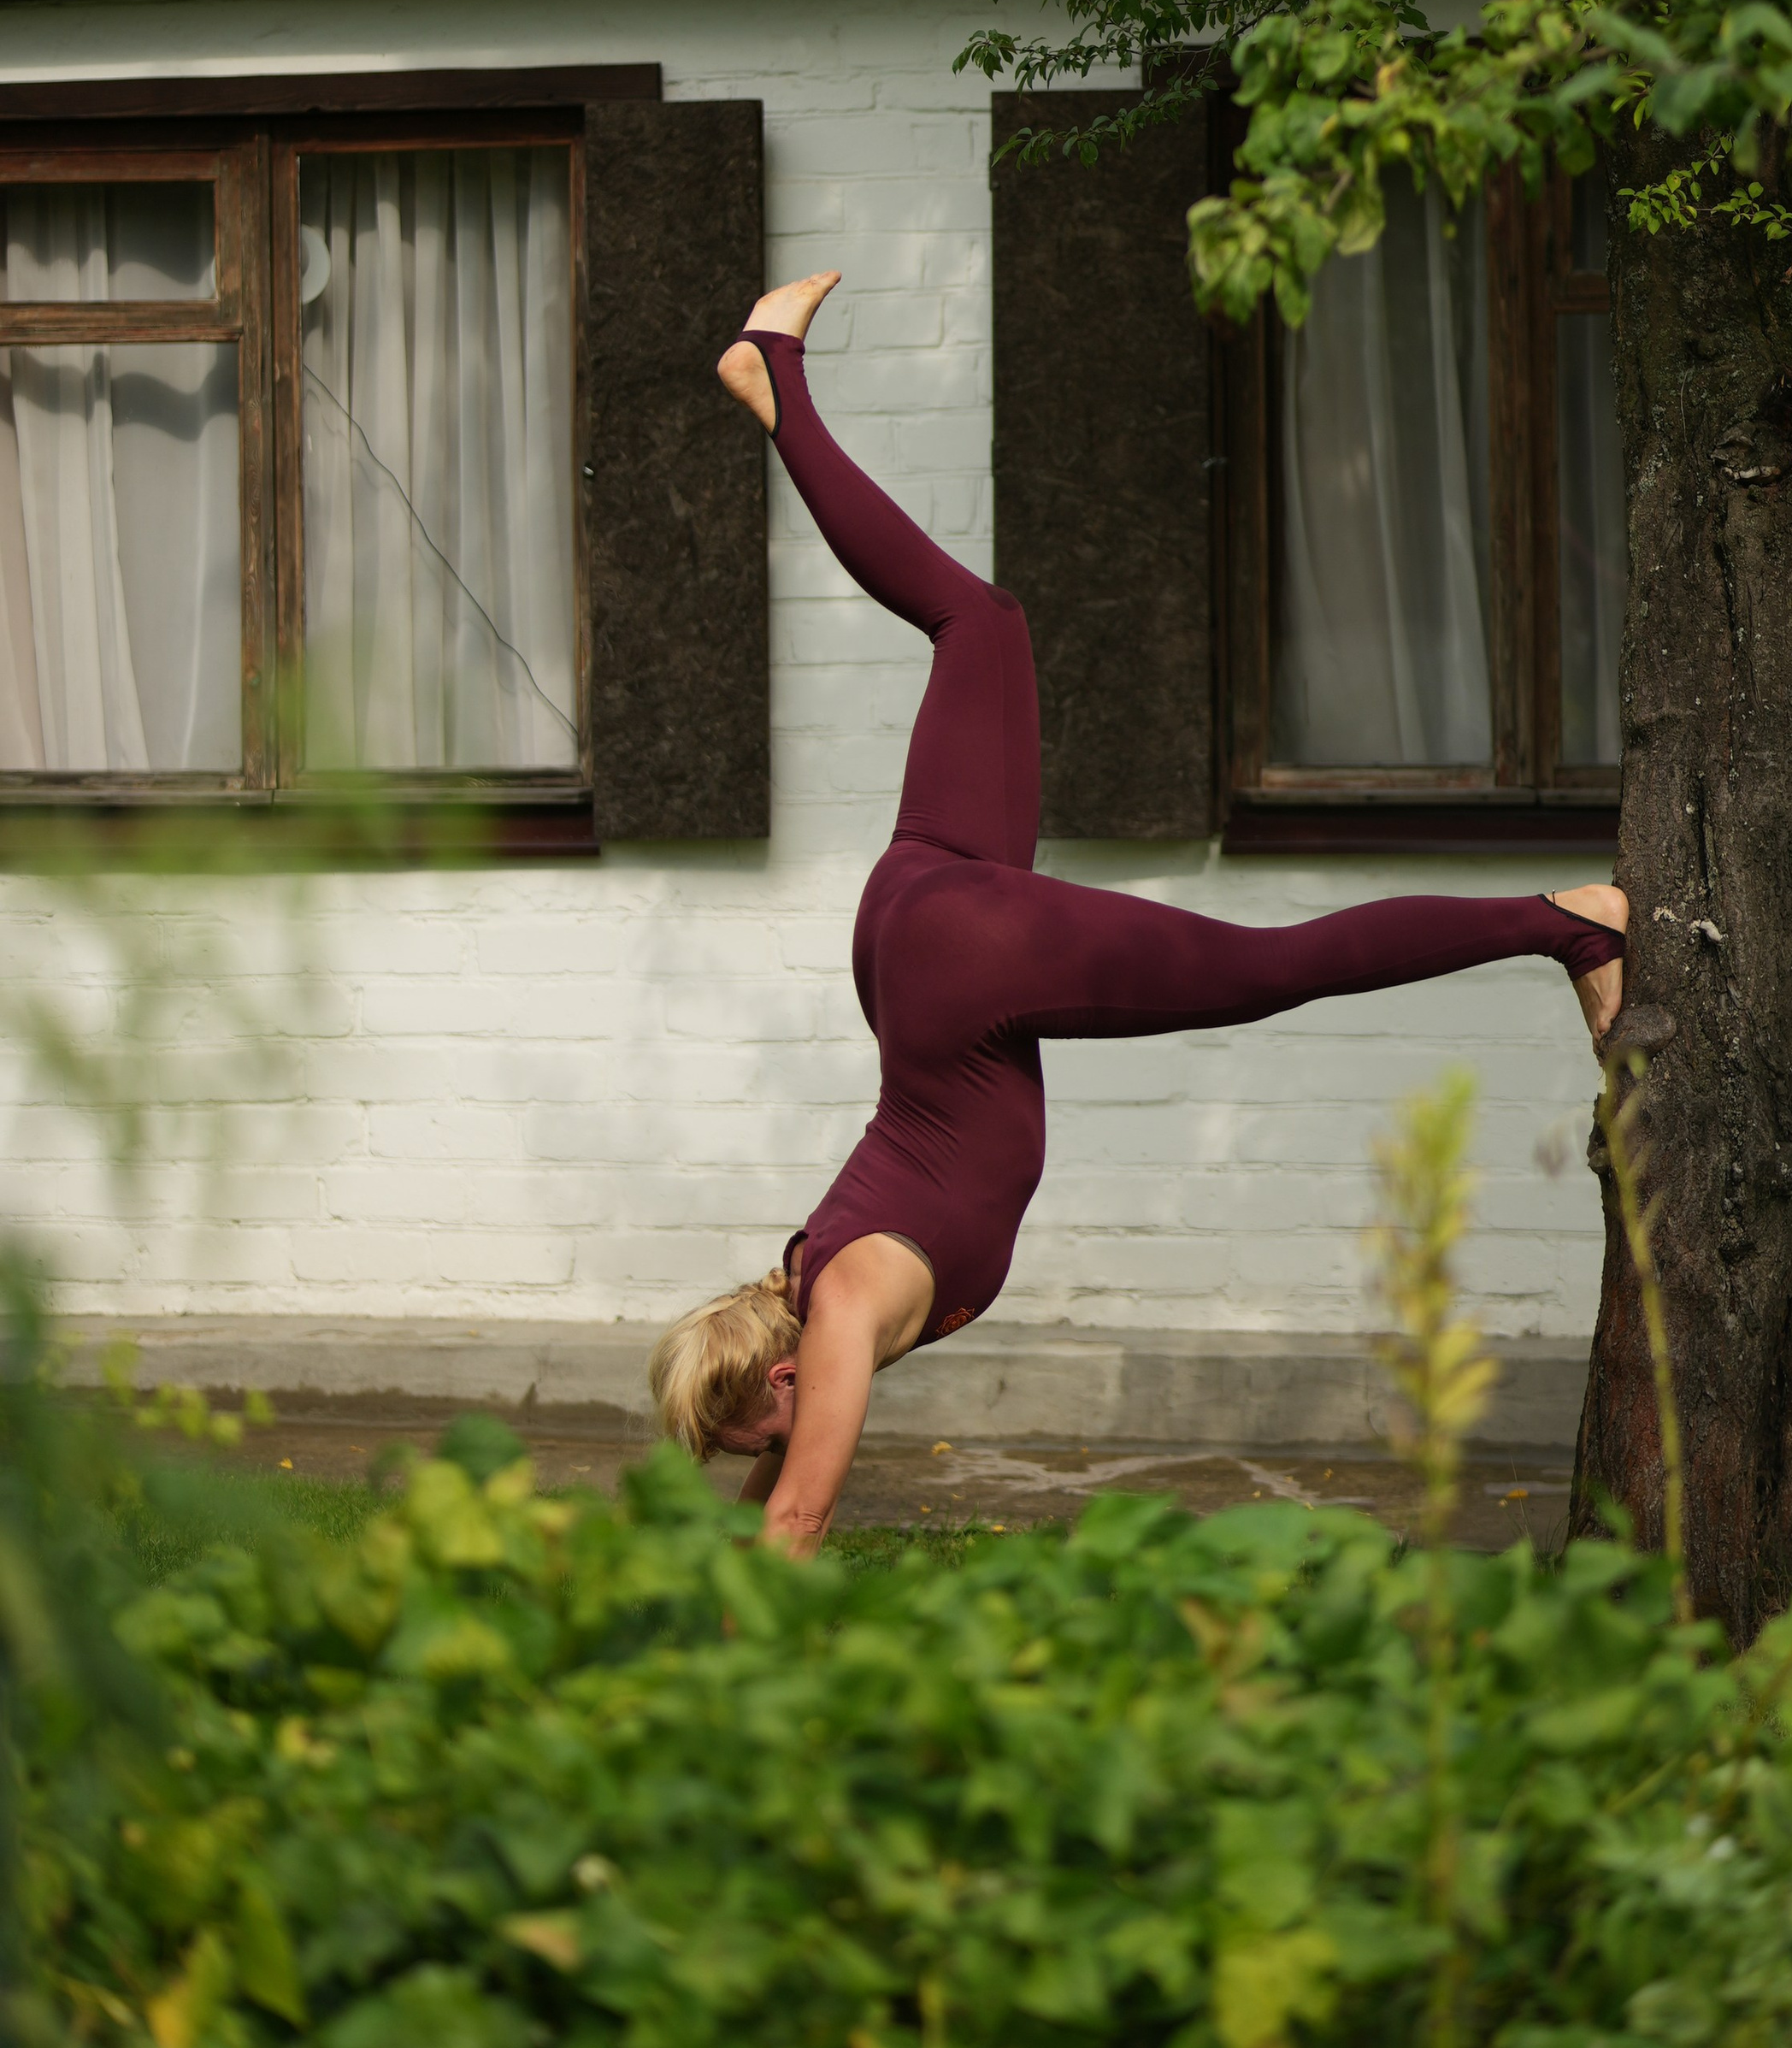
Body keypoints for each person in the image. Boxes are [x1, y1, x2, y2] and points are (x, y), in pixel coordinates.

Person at [650, 273, 1627, 1555]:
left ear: (776, 1382)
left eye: (755, 1439)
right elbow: (780, 1476)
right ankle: (777, 385)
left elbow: (803, 1506)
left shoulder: (833, 1315)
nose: (776, 1452)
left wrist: (706, 1673)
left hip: (958, 969)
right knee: (979, 623)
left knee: (1275, 965)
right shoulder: (805, 1287)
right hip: (911, 924)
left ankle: (1574, 922)